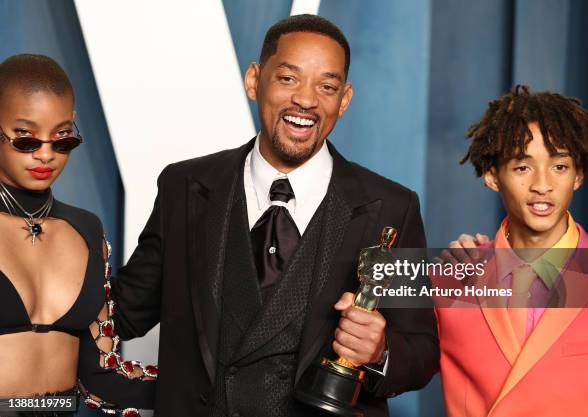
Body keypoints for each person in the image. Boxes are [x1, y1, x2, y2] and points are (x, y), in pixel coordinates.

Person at [110, 14, 439, 417]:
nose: (306, 100)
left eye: (327, 86)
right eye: (288, 78)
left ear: (345, 99)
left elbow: (422, 351)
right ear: (254, 80)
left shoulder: (392, 207)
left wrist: (381, 350)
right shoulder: (184, 185)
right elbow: (126, 309)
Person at [436, 85, 588, 417]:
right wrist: (375, 348)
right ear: (491, 175)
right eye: (522, 167)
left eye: (559, 166)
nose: (542, 185)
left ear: (578, 175)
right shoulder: (450, 277)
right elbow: (402, 365)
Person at [0, 54, 156, 417]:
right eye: (26, 140)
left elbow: (100, 376)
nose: (45, 155)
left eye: (62, 140)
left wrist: (205, 387)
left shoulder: (87, 230)